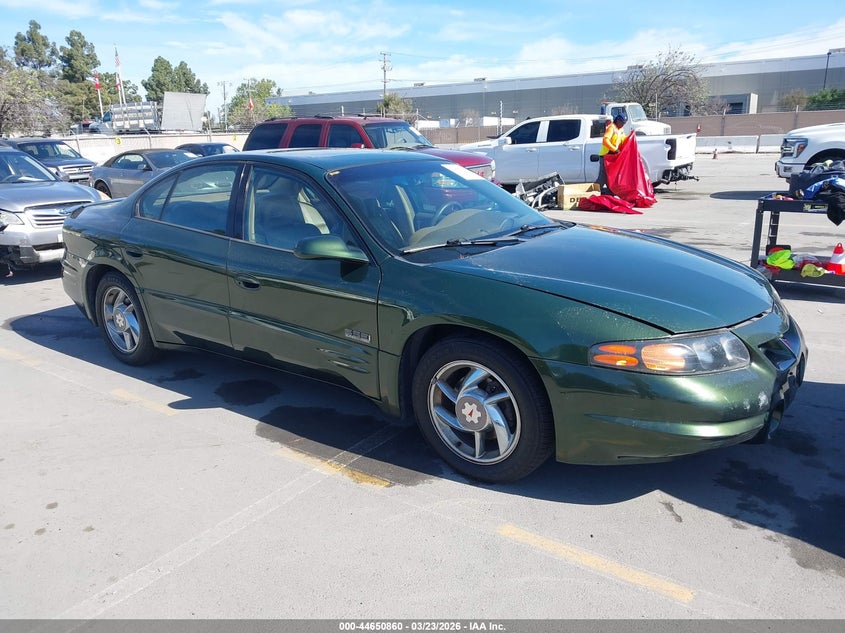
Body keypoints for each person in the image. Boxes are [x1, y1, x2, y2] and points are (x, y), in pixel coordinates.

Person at [597, 112, 629, 192]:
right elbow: (605, 140)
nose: (623, 125)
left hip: (613, 156)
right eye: (622, 123)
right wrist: (614, 149)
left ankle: (610, 193)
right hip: (606, 155)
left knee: (611, 176)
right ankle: (594, 193)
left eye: (624, 123)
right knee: (603, 177)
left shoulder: (620, 129)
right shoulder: (612, 128)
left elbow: (623, 139)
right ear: (617, 121)